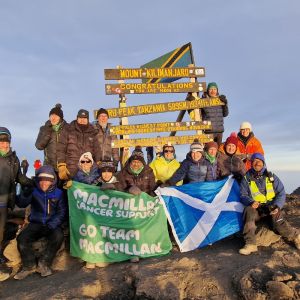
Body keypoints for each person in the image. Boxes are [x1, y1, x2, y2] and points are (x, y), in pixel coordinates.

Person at [239, 153, 300, 255]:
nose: (257, 163)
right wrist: (250, 202)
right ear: (251, 164)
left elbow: (281, 192)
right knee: (248, 211)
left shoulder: (271, 177)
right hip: (257, 209)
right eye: (254, 161)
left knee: (279, 223)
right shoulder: (246, 178)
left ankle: (296, 236)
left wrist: (277, 206)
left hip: (272, 207)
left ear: (263, 163)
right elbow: (243, 194)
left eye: (259, 161)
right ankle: (250, 244)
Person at [14, 165, 66, 279]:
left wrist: (53, 223)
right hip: (36, 223)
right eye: (41, 180)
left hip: (51, 223)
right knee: (22, 238)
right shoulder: (34, 191)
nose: (44, 183)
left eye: (47, 181)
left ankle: (44, 263)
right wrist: (25, 193)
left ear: (52, 181)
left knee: (58, 236)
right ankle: (29, 265)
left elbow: (61, 212)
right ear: (38, 180)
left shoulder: (58, 193)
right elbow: (21, 204)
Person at [0, 127, 31, 265]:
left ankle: (0, 254)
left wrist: (33, 182)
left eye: (6, 141)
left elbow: (19, 178)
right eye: (1, 141)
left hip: (5, 200)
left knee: (1, 228)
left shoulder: (14, 158)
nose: (4, 144)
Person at [56, 109, 99, 180]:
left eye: (85, 118)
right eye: (80, 118)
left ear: (88, 119)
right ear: (77, 118)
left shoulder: (93, 132)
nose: (82, 120)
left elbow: (97, 149)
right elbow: (61, 148)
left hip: (87, 168)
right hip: (71, 169)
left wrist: (98, 162)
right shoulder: (68, 129)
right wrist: (61, 164)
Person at [35, 104, 69, 173]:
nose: (53, 118)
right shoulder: (44, 129)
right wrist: (47, 130)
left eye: (56, 116)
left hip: (65, 167)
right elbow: (39, 146)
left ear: (60, 117)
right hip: (49, 167)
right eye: (51, 116)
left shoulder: (68, 128)